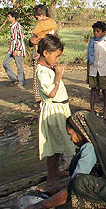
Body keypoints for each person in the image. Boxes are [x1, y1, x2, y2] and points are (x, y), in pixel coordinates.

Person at [35, 34, 75, 187]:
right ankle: (51, 179)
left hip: (60, 107)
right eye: (56, 56)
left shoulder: (47, 68)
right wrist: (58, 77)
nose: (57, 60)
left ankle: (55, 172)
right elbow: (51, 92)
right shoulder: (42, 72)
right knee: (56, 144)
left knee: (57, 144)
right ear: (46, 53)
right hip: (53, 110)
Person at [30, 4, 58, 104]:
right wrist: (32, 41)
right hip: (43, 55)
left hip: (47, 56)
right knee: (42, 79)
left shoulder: (49, 25)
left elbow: (53, 42)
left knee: (44, 78)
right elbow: (32, 40)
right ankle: (41, 101)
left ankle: (46, 99)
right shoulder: (47, 24)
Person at [3, 11, 26, 87]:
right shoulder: (12, 26)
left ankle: (21, 82)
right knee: (5, 63)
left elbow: (21, 38)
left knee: (19, 66)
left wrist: (17, 49)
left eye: (9, 17)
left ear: (13, 17)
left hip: (18, 49)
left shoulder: (18, 26)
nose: (8, 18)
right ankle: (14, 79)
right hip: (12, 49)